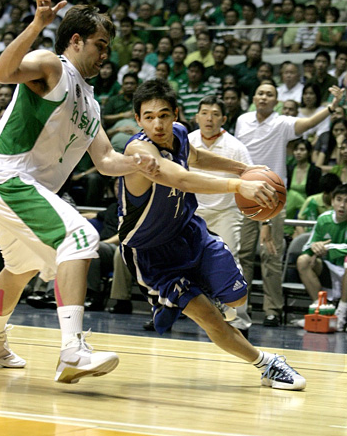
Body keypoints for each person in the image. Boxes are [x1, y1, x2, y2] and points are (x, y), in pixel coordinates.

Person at [0, 0, 159, 383]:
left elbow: (106, 161)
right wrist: (37, 23)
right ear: (75, 40)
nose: (105, 55)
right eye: (99, 45)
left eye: (107, 48)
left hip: (18, 188)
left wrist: (144, 163)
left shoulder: (90, 102)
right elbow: (2, 72)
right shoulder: (53, 66)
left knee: (20, 267)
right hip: (7, 178)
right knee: (81, 239)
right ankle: (72, 350)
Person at [117, 78, 306, 391]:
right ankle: (268, 364)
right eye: (148, 117)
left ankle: (177, 301)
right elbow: (182, 178)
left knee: (238, 296)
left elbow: (197, 158)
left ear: (175, 114)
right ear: (137, 119)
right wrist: (238, 186)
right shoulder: (139, 152)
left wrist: (241, 169)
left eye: (164, 115)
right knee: (211, 318)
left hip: (189, 233)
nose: (158, 124)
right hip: (151, 252)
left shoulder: (179, 135)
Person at [235, 81, 344, 326]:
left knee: (271, 255)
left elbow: (307, 124)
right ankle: (241, 307)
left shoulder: (282, 123)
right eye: (260, 93)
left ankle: (273, 309)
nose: (264, 97)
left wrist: (330, 108)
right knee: (242, 255)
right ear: (254, 97)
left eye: (270, 94)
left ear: (277, 101)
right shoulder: (242, 120)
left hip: (273, 196)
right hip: (245, 195)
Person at [188, 95, 253, 334]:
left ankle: (240, 321)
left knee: (231, 263)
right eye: (205, 113)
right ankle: (169, 314)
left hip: (226, 212)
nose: (209, 118)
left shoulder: (236, 147)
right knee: (175, 263)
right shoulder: (187, 141)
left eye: (215, 114)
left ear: (224, 119)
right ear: (197, 116)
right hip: (193, 212)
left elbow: (250, 178)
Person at [297, 184, 347, 331]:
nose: (342, 205)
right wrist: (315, 247)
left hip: (345, 270)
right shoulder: (323, 219)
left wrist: (328, 247)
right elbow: (307, 246)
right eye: (339, 199)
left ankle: (341, 315)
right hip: (329, 269)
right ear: (332, 201)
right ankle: (321, 312)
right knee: (303, 260)